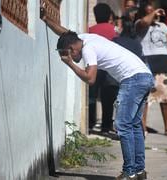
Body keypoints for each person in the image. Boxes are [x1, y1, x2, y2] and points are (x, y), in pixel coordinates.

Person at [41, 8, 153, 180]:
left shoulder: (88, 49)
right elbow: (65, 33)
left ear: (72, 48)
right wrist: (47, 20)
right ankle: (139, 171)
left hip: (133, 79)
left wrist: (70, 64)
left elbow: (90, 79)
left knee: (123, 125)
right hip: (144, 75)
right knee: (134, 125)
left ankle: (129, 172)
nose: (70, 56)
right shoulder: (83, 38)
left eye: (68, 53)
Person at [135, 3, 167, 137]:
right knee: (144, 100)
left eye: (155, 12)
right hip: (146, 65)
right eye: (149, 12)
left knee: (166, 98)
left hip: (164, 65)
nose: (155, 15)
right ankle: (142, 128)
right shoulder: (139, 24)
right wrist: (154, 12)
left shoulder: (163, 26)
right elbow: (145, 22)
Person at [89, 3, 118, 133]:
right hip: (109, 68)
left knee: (92, 96)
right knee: (108, 98)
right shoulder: (114, 31)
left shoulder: (90, 30)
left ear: (95, 16)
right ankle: (106, 126)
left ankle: (90, 123)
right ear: (109, 16)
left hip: (93, 67)